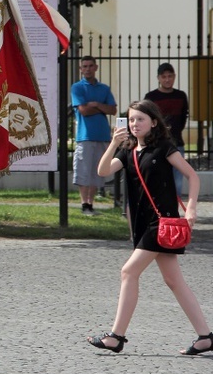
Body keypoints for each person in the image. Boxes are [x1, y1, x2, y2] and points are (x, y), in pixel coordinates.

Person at [88, 99, 212, 355]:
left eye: (140, 119)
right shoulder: (128, 151)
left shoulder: (164, 148)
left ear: (153, 122)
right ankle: (206, 337)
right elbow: (102, 171)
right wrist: (114, 142)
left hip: (162, 222)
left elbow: (192, 175)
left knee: (128, 272)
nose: (135, 124)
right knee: (173, 280)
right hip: (144, 224)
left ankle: (116, 336)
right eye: (131, 119)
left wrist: (190, 208)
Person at [71, 55, 117, 215]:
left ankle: (91, 204)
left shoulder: (104, 88)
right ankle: (84, 204)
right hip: (85, 136)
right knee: (84, 171)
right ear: (81, 69)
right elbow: (83, 110)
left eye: (91, 66)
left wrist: (96, 104)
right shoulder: (77, 88)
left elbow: (113, 110)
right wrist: (102, 107)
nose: (88, 69)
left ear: (95, 67)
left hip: (102, 134)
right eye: (85, 66)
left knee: (98, 171)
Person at [144, 62, 189, 197]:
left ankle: (174, 211)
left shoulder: (181, 96)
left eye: (170, 76)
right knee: (156, 177)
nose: (167, 79)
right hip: (156, 143)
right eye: (164, 76)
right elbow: (147, 118)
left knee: (177, 180)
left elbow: (183, 118)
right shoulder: (151, 97)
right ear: (158, 78)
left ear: (174, 77)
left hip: (176, 142)